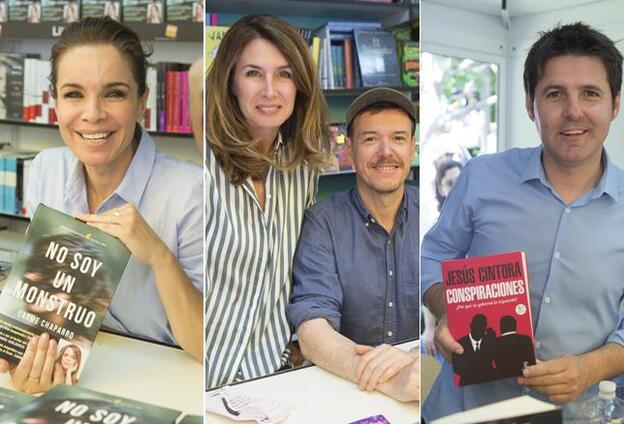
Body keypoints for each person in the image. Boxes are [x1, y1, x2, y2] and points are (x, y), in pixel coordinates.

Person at [422, 22, 624, 421]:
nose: (573, 111)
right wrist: (445, 310)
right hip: (463, 411)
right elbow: (431, 255)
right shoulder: (481, 177)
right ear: (530, 104)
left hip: (576, 412)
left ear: (615, 104)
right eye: (554, 94)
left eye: (591, 94)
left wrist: (592, 367)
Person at [0, 17, 203, 393]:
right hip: (79, 375)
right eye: (74, 94)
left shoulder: (191, 192)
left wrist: (159, 255)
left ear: (142, 100)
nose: (92, 113)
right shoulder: (46, 168)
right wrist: (25, 355)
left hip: (166, 379)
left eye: (114, 93)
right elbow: (42, 305)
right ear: (55, 103)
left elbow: (208, 345)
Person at [205, 14, 329, 388]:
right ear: (229, 82)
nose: (271, 91)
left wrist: (295, 348)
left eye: (285, 74)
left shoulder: (303, 168)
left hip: (273, 378)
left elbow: (292, 276)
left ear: (300, 86)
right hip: (206, 376)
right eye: (253, 73)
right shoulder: (203, 165)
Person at [288, 87, 419, 402]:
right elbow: (312, 328)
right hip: (346, 389)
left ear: (413, 149)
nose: (386, 152)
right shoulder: (323, 223)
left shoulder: (437, 215)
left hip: (419, 381)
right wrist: (386, 377)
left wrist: (415, 358)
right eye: (371, 139)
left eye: (399, 138)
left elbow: (451, 313)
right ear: (349, 152)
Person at [453, 314, 496, 386]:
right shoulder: (459, 343)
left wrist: (494, 341)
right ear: (471, 326)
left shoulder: (489, 341)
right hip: (467, 384)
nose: (479, 328)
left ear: (485, 328)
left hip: (489, 384)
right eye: (477, 325)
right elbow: (457, 368)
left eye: (482, 326)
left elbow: (498, 361)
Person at [493, 316, 535, 380]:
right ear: (515, 325)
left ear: (501, 326)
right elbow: (530, 360)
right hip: (526, 373)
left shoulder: (494, 342)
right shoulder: (525, 339)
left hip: (501, 378)